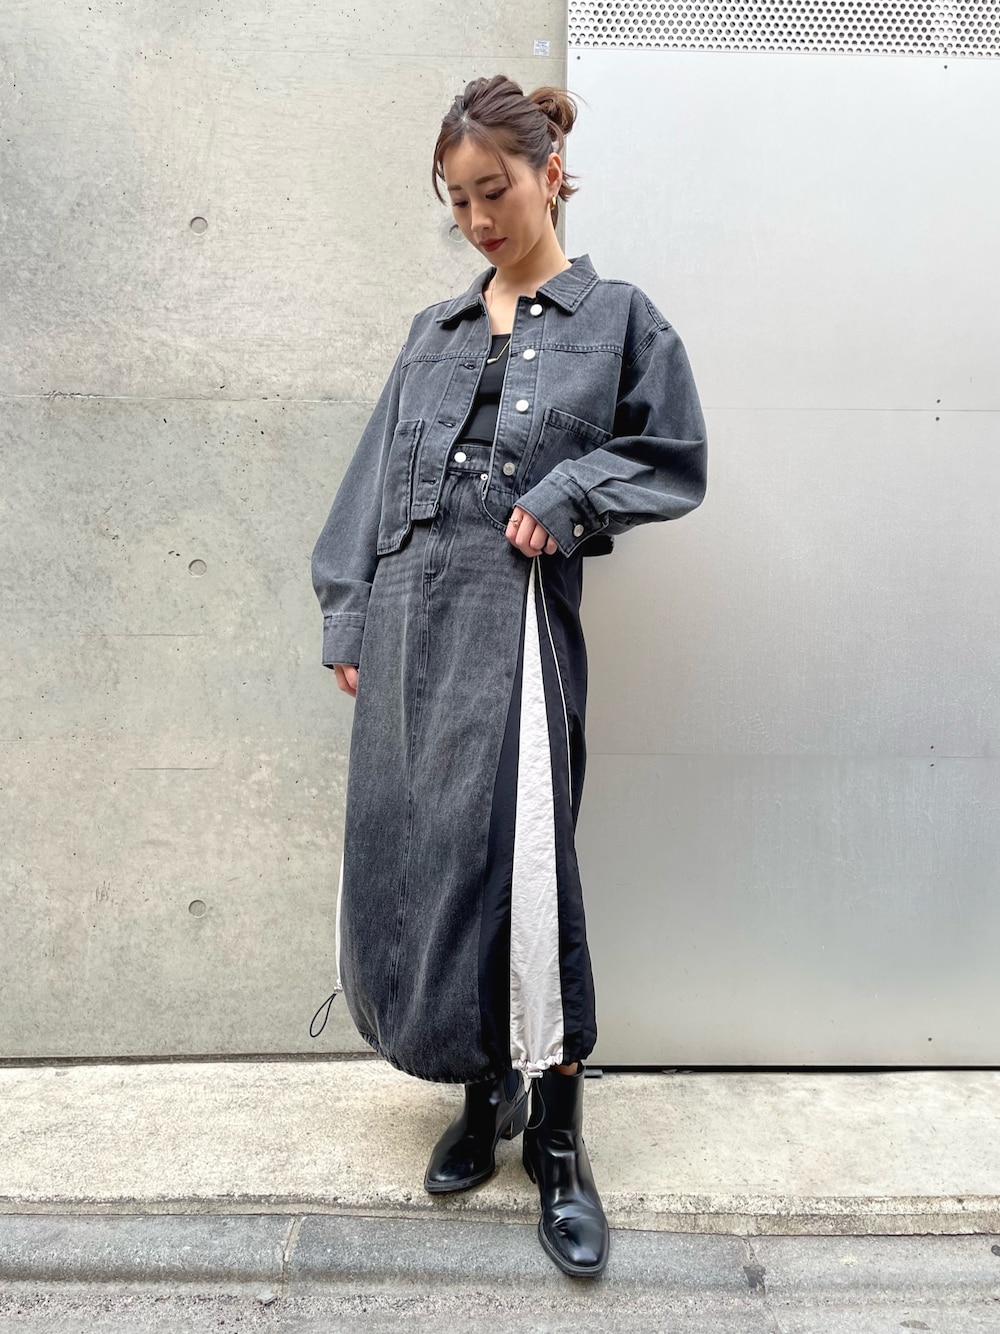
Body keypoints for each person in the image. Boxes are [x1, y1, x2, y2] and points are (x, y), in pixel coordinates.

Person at [309, 74, 707, 1278]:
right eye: (457, 200)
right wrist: (349, 611)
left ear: (549, 175)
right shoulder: (430, 334)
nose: (478, 219)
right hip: (409, 619)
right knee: (424, 850)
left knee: (522, 862)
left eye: (495, 190)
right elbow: (370, 481)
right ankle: (483, 1091)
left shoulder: (617, 319)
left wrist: (572, 491)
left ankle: (559, 1136)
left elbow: (672, 455)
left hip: (517, 613)